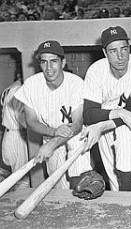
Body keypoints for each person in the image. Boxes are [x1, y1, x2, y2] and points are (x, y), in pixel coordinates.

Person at [81, 26, 131, 191]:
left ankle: (127, 195)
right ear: (105, 52)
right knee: (112, 173)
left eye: (124, 49)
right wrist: (118, 112)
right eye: (113, 51)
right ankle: (120, 202)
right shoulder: (96, 70)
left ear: (129, 48)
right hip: (106, 115)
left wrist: (101, 126)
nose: (120, 56)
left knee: (125, 136)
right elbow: (88, 114)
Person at [14, 40, 93, 190]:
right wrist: (53, 133)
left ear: (63, 63)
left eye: (54, 61)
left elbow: (77, 124)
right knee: (59, 188)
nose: (49, 68)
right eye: (44, 62)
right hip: (50, 138)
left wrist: (53, 142)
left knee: (76, 145)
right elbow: (31, 121)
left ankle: (83, 185)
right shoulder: (31, 85)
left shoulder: (76, 83)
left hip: (74, 137)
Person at [0, 74, 29, 189]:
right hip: (18, 136)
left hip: (8, 135)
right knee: (23, 179)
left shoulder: (9, 88)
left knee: (14, 176)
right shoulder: (20, 90)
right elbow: (21, 118)